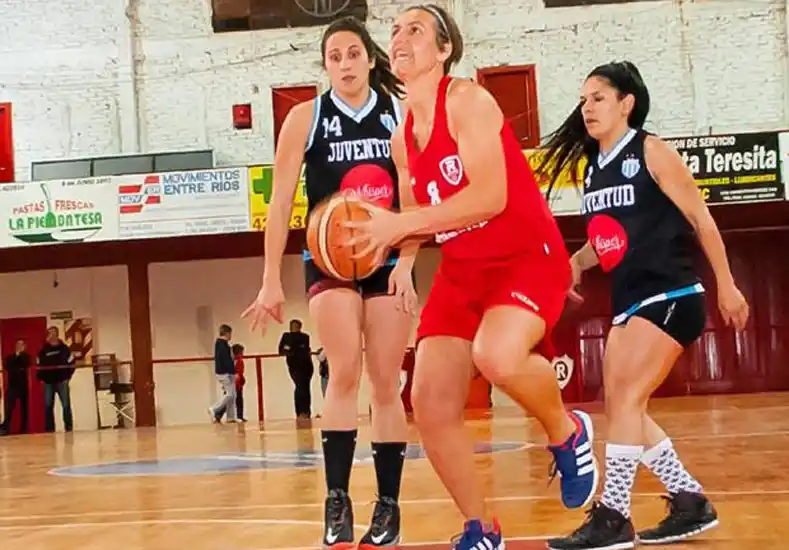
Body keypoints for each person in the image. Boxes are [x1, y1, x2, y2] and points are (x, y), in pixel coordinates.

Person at [343, 5, 598, 550]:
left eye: (416, 29)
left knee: (497, 355)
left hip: (524, 253)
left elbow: (489, 196)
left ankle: (568, 432)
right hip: (463, 268)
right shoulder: (401, 137)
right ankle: (482, 527)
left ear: (443, 50)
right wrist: (404, 260)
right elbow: (417, 214)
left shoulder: (469, 101)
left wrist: (400, 226)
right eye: (396, 29)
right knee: (430, 406)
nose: (401, 36)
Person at [534, 61, 748, 549]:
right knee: (624, 408)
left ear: (626, 103)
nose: (587, 108)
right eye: (584, 99)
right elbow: (611, 240)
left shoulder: (651, 151)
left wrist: (728, 285)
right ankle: (690, 501)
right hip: (630, 300)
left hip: (672, 294)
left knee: (626, 402)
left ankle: (613, 516)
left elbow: (702, 220)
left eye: (598, 98)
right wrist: (576, 262)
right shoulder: (593, 170)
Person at [241, 15, 417, 550]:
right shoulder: (306, 117)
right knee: (343, 372)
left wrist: (408, 261)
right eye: (334, 56)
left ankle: (388, 507)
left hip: (387, 260)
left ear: (369, 58)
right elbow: (278, 205)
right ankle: (336, 500)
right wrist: (270, 279)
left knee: (386, 383)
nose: (344, 63)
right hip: (329, 261)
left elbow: (414, 199)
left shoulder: (398, 114)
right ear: (326, 65)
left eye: (352, 54)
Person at [38, 326, 74, 433]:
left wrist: (68, 378)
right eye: (50, 333)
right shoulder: (43, 350)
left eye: (54, 333)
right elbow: (39, 365)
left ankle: (68, 428)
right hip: (48, 382)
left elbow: (72, 363)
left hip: (62, 381)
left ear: (57, 334)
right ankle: (49, 430)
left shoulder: (65, 349)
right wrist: (41, 379)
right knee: (48, 406)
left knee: (66, 405)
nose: (52, 335)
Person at [277, 320, 314, 418]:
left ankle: (306, 411)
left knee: (305, 388)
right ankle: (300, 411)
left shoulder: (305, 337)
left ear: (299, 327)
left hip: (306, 366)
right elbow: (282, 350)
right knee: (299, 386)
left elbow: (304, 349)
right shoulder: (286, 336)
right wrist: (290, 350)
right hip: (294, 367)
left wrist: (291, 349)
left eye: (295, 326)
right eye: (292, 326)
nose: (293, 328)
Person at [1, 339, 31, 435]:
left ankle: (23, 428)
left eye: (22, 344)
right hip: (12, 385)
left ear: (24, 347)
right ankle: (6, 427)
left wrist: (20, 355)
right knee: (9, 407)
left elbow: (26, 363)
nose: (19, 346)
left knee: (24, 408)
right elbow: (7, 365)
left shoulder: (26, 357)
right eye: (18, 344)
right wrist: (16, 355)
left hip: (23, 385)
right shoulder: (10, 357)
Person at [208, 324, 236, 424]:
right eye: (230, 334)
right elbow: (226, 360)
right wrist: (233, 371)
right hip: (224, 372)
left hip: (224, 372)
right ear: (227, 333)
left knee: (232, 395)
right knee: (230, 394)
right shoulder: (222, 345)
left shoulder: (221, 344)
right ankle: (215, 408)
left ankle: (231, 417)